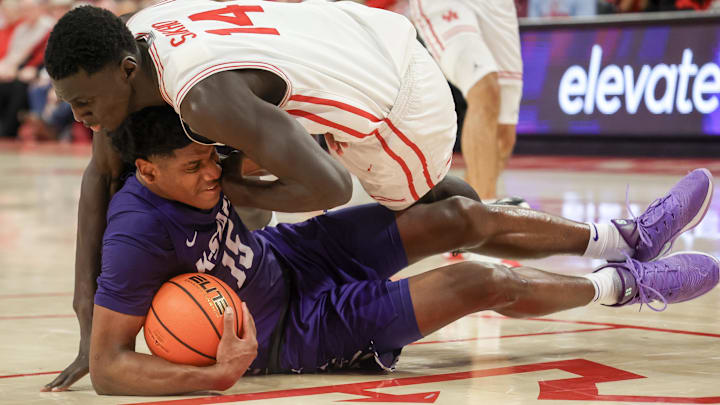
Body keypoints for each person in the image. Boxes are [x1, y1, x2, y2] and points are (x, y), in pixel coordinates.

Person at [46, 106, 718, 395]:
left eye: (209, 157)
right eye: (193, 168)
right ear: (147, 171)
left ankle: (626, 236)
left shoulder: (193, 141)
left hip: (287, 254)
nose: (212, 172)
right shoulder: (134, 235)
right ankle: (626, 284)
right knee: (477, 282)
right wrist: (213, 375)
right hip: (289, 332)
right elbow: (108, 367)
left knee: (454, 214)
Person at [407, 0, 524, 202]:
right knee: (484, 87)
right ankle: (484, 213)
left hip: (498, 7)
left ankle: (463, 210)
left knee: (503, 134)